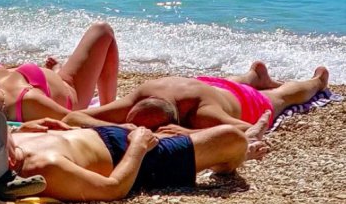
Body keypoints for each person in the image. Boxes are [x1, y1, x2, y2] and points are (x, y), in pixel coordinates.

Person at [0, 104, 268, 204]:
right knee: (231, 139)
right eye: (3, 135)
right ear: (9, 161)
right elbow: (113, 188)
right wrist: (139, 146)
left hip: (101, 136)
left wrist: (28, 128)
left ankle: (225, 143)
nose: (6, 132)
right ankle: (236, 156)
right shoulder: (46, 168)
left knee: (74, 116)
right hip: (134, 158)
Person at [79, 61, 330, 133]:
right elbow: (74, 117)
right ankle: (255, 74)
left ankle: (318, 81)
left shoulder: (203, 115)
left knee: (282, 96)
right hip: (205, 86)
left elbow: (250, 128)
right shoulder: (140, 97)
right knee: (225, 85)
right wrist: (120, 125)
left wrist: (189, 133)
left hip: (242, 99)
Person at [0, 22, 119, 122]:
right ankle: (108, 107)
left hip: (50, 86)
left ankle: (55, 74)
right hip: (71, 91)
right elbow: (74, 119)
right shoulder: (28, 101)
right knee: (103, 30)